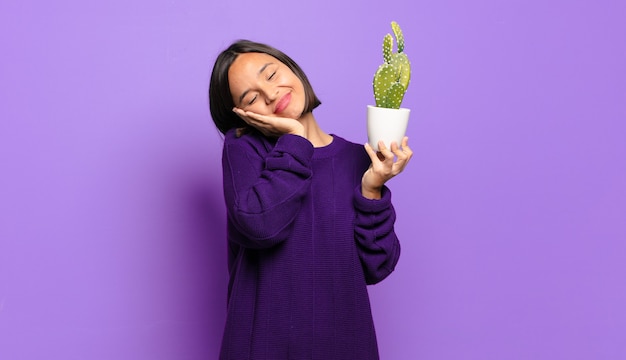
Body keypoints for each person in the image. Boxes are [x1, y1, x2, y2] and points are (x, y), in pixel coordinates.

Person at [208, 39, 413, 360]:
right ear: (243, 115)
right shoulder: (244, 149)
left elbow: (378, 265)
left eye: (272, 75)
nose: (271, 94)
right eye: (252, 98)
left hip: (346, 345)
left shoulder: (357, 159)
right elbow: (260, 226)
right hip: (262, 346)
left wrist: (372, 189)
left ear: (293, 69)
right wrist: (295, 139)